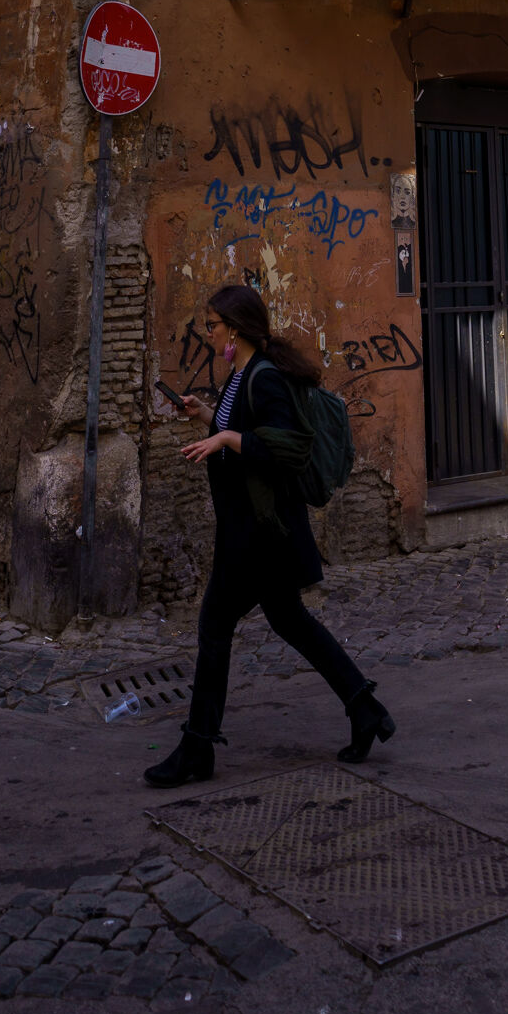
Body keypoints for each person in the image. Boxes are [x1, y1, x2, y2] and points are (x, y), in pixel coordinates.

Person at [144, 283, 395, 788]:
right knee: (291, 622)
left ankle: (197, 748)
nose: (209, 333)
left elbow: (288, 446)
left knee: (215, 626)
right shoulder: (241, 375)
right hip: (256, 530)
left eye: (213, 325)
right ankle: (365, 709)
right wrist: (207, 417)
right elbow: (248, 429)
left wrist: (227, 437)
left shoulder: (264, 377)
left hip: (257, 535)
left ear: (234, 328)